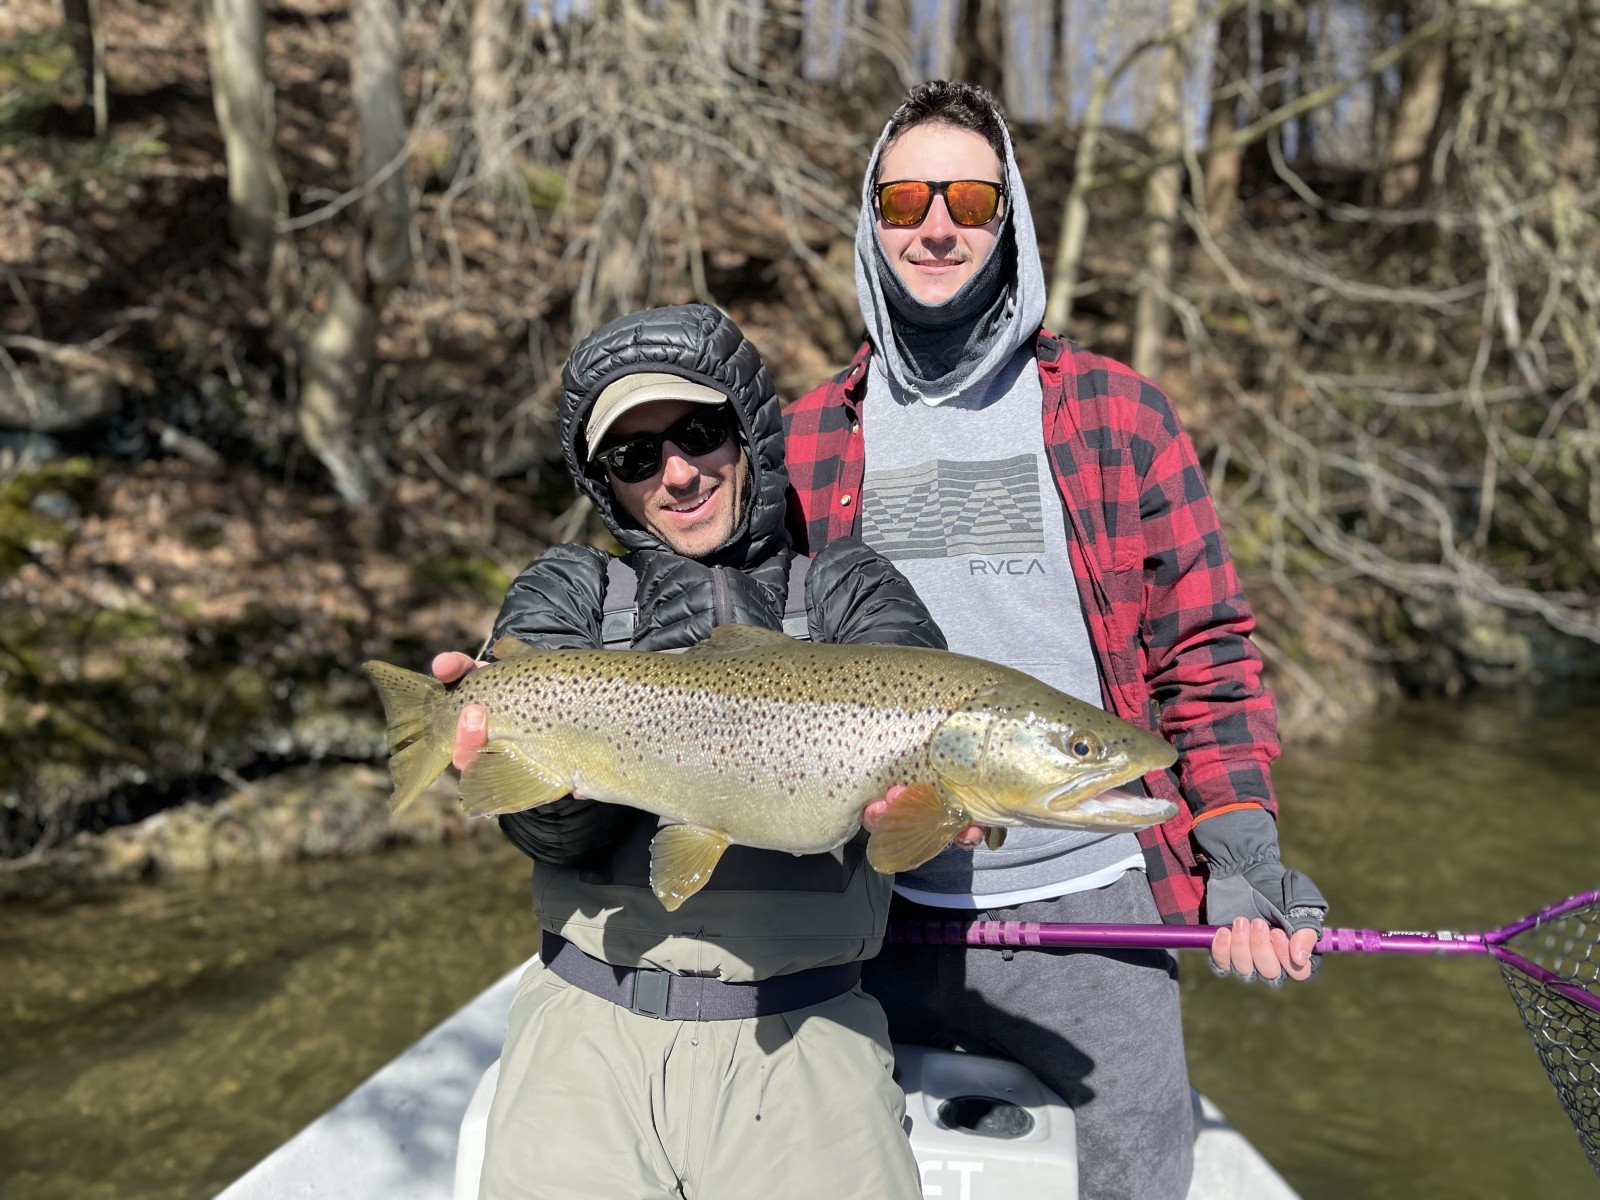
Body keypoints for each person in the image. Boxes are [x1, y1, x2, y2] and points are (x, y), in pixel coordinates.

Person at [781, 81, 1329, 1200]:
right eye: (905, 198)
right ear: (869, 223)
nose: (936, 224)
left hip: (1093, 912)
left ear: (1010, 218)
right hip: (863, 915)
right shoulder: (801, 438)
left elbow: (1207, 655)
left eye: (970, 197)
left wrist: (1242, 857)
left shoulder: (1116, 414)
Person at [432, 302, 943, 1200]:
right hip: (586, 1033)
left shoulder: (848, 589)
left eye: (698, 433)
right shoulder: (571, 588)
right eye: (634, 457)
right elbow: (550, 842)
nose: (676, 474)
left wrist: (938, 814)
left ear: (747, 434)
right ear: (607, 485)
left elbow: (930, 709)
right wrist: (519, 771)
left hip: (805, 1039)